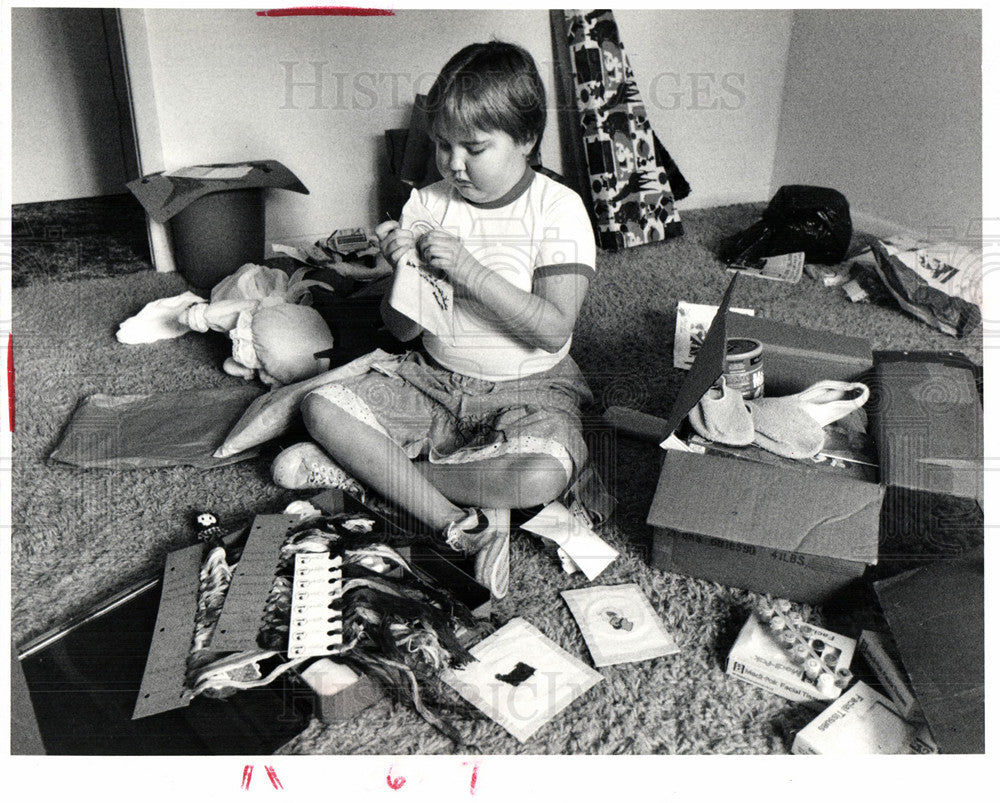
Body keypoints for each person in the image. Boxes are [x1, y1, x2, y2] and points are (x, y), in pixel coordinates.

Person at [271, 41, 597, 598]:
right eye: (443, 145)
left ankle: (365, 477)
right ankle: (460, 525)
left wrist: (469, 271)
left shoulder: (557, 207)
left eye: (474, 147)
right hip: (434, 380)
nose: (454, 163)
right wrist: (404, 275)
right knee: (319, 406)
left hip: (531, 388)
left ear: (525, 140)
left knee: (544, 473)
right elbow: (403, 333)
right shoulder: (427, 203)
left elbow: (553, 328)